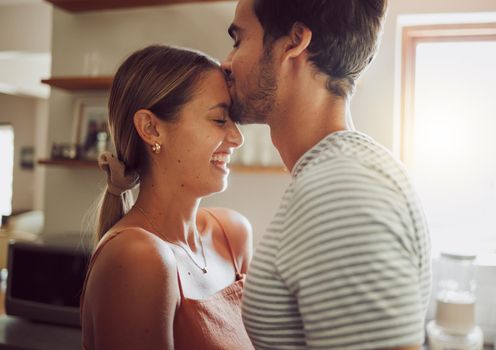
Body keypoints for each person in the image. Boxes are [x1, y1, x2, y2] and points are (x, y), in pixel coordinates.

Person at [221, 1, 431, 349]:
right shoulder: (345, 172)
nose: (227, 63)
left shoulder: (342, 191)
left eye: (238, 40)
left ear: (294, 41)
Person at [80, 45, 255, 350]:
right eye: (218, 120)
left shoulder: (232, 235)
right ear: (151, 128)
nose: (237, 137)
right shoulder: (137, 257)